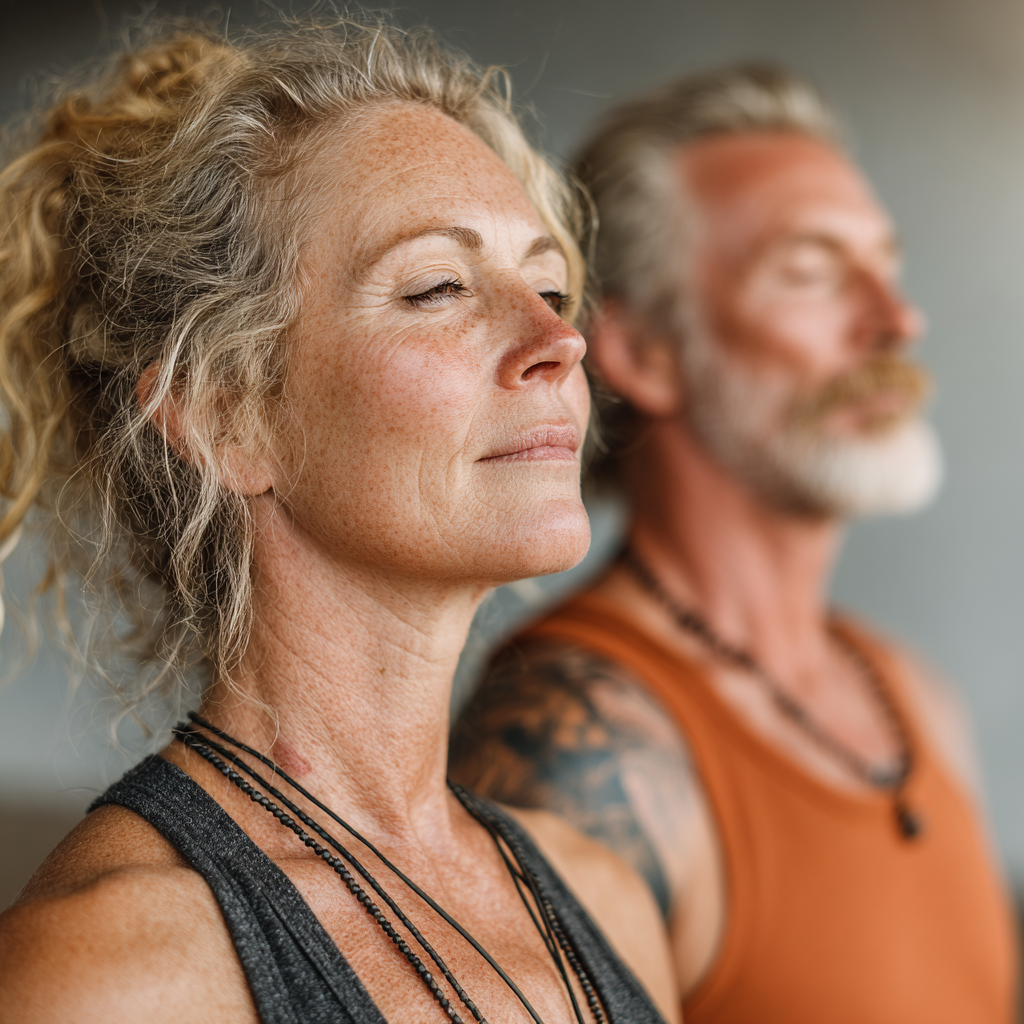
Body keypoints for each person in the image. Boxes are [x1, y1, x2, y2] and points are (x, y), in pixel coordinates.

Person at [0, 20, 680, 1024]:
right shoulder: (111, 971)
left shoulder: (604, 901)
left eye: (548, 285)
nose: (560, 339)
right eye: (438, 286)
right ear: (227, 416)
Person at [450, 65, 1018, 1024]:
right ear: (643, 353)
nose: (895, 321)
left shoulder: (913, 694)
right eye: (810, 272)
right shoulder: (574, 750)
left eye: (886, 266)